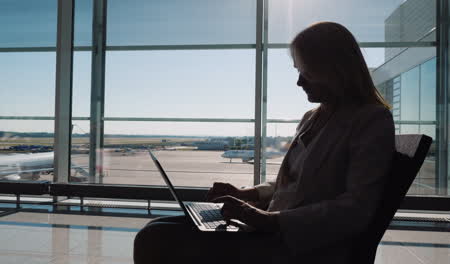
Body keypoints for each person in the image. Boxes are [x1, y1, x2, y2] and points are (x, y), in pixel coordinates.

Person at [133, 21, 395, 264]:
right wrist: (246, 194)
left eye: (307, 72)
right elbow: (293, 182)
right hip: (271, 228)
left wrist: (268, 220)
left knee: (155, 240)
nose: (299, 81)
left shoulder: (371, 120)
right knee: (155, 229)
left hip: (305, 245)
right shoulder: (312, 118)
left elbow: (356, 209)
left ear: (334, 69)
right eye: (298, 71)